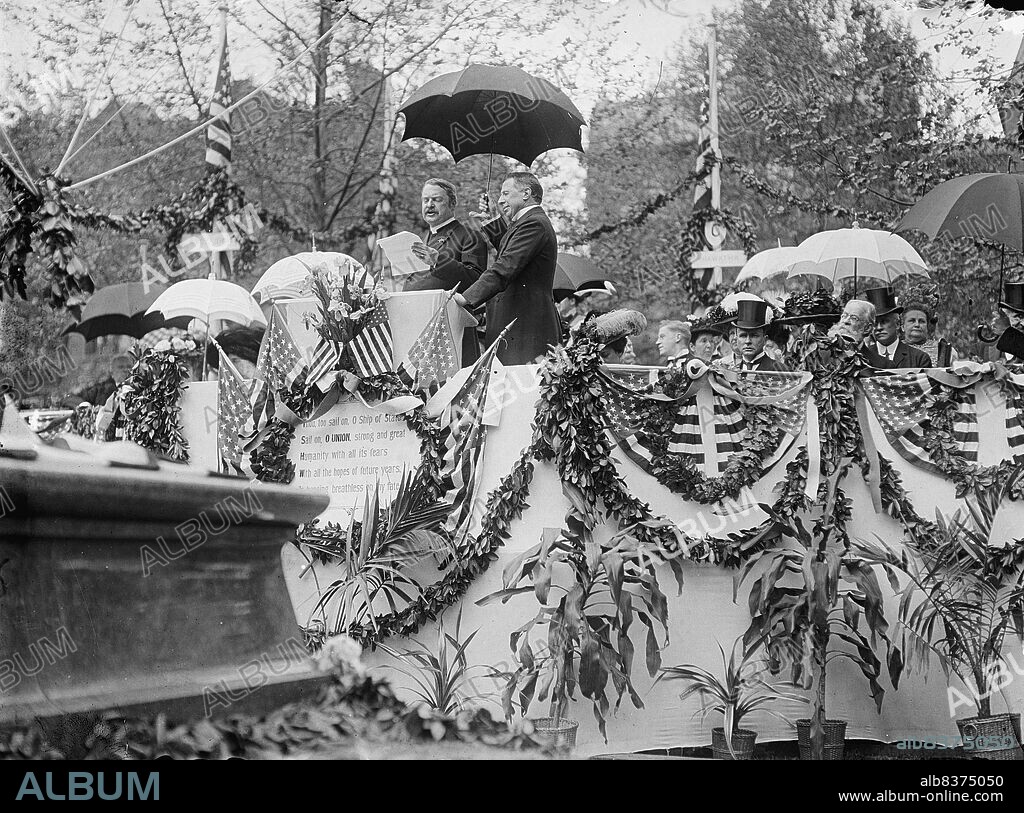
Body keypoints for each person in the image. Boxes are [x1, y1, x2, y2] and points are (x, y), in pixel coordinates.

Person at [453, 172, 561, 366]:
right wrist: (491, 220)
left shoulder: (534, 223)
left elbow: (506, 265)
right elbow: (509, 247)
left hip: (524, 329)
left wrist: (466, 298)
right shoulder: (528, 222)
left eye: (505, 193)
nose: (501, 200)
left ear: (526, 193)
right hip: (517, 327)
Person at [862, 286, 931, 369]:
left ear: (898, 324)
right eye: (875, 323)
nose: (879, 328)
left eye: (884, 322)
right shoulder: (862, 358)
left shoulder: (919, 359)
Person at [732, 299, 788, 371]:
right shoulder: (732, 372)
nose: (748, 341)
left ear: (765, 339)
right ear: (736, 339)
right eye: (743, 335)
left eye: (754, 335)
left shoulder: (781, 371)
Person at [903, 301, 958, 367]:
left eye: (922, 321)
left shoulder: (945, 350)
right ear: (902, 327)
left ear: (927, 326)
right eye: (912, 321)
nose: (917, 325)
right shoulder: (894, 349)